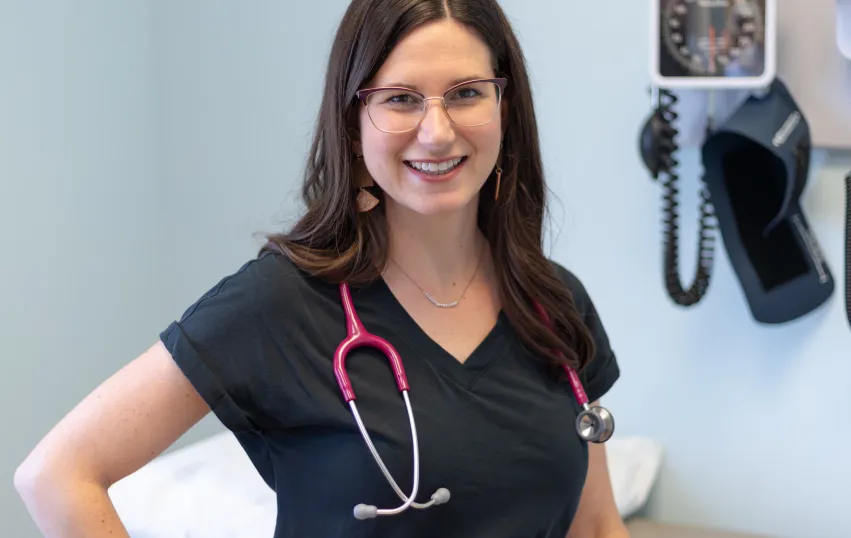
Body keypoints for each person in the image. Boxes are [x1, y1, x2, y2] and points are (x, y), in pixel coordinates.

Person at [14, 1, 627, 536]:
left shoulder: (553, 303)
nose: (437, 131)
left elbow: (597, 527)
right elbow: (56, 474)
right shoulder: (280, 304)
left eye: (466, 93)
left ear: (504, 109)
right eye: (401, 99)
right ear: (353, 128)